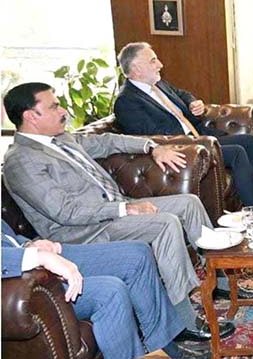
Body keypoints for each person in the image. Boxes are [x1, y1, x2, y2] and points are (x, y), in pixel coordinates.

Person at [2, 82, 235, 343]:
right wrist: (125, 209)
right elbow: (65, 212)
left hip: (113, 211)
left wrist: (151, 146)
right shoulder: (21, 160)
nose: (63, 110)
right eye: (54, 106)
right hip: (83, 232)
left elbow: (107, 142)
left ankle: (221, 281)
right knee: (165, 224)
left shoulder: (61, 138)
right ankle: (184, 320)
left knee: (189, 203)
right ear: (31, 116)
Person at [1, 221, 208, 359]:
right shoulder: (21, 158)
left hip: (28, 256)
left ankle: (164, 347)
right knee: (111, 292)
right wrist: (37, 257)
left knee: (137, 255)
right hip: (20, 282)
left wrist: (30, 244)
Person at [113, 41, 253, 213]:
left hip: (199, 136)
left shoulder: (159, 84)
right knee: (236, 152)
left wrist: (193, 103)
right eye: (153, 61)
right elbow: (149, 136)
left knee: (248, 141)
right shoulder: (126, 101)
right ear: (137, 68)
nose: (160, 65)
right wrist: (191, 140)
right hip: (186, 148)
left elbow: (183, 94)